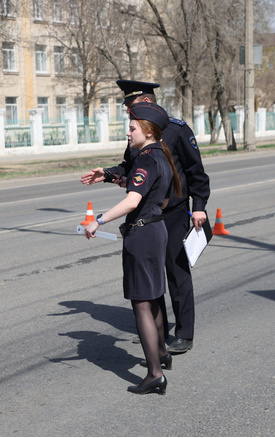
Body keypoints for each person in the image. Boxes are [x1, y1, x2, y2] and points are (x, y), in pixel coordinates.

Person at [81, 80, 210, 355]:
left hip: (173, 212)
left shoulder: (175, 129)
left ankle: (184, 333)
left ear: (148, 103)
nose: (128, 113)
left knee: (176, 272)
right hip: (149, 213)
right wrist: (108, 173)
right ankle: (157, 334)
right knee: (152, 278)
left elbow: (196, 172)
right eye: (128, 109)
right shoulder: (138, 131)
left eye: (132, 107)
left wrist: (199, 205)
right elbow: (131, 168)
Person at [85, 102, 181, 395]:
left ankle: (154, 374)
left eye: (132, 128)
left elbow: (132, 201)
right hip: (156, 229)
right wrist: (112, 176)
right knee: (154, 298)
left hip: (142, 234)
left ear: (148, 131)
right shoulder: (160, 156)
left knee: (141, 303)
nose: (128, 133)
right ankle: (161, 354)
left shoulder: (145, 158)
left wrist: (98, 221)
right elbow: (151, 193)